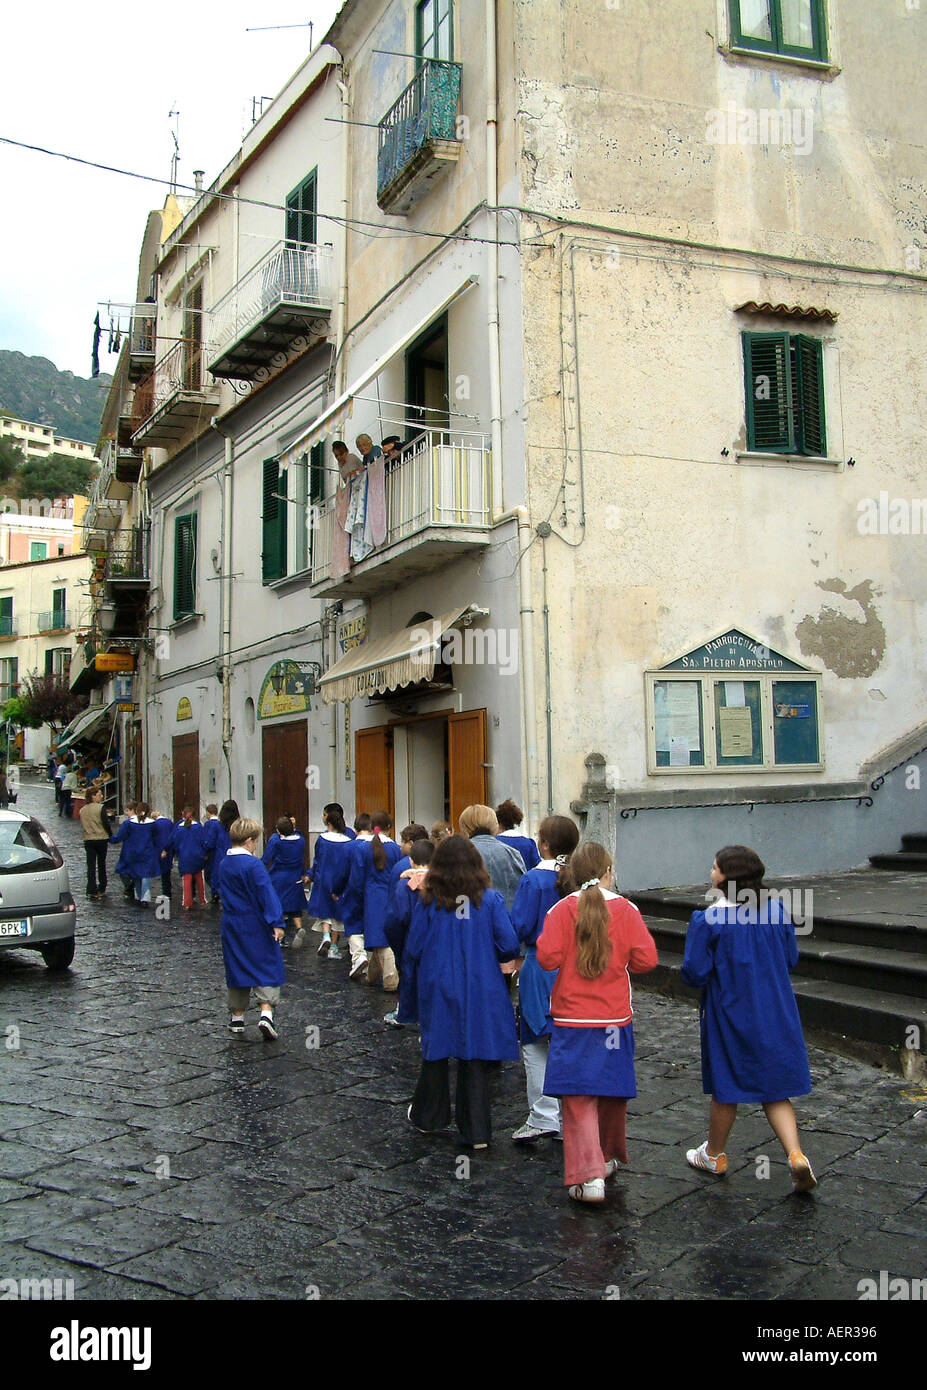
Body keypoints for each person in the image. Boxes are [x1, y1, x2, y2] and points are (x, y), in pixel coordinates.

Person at [680, 845, 817, 1192]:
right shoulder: (776, 911)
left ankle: (714, 1154)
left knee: (726, 1087)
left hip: (730, 1011)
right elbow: (790, 958)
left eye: (714, 868)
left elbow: (694, 973)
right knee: (776, 1089)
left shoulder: (709, 921)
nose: (710, 872)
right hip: (774, 1009)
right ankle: (796, 1154)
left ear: (727, 877)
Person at [536, 842, 658, 1203]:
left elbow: (547, 958)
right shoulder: (627, 909)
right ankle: (606, 1157)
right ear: (608, 872)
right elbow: (647, 960)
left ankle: (588, 1177)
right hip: (613, 1019)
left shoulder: (561, 910)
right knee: (610, 1091)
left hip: (573, 1018)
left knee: (578, 1097)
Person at [404, 835, 520, 1149]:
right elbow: (509, 944)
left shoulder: (428, 901)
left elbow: (414, 946)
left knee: (436, 1048)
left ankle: (430, 1116)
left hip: (438, 979)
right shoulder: (491, 900)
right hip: (480, 982)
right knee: (475, 1053)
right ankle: (477, 1131)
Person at [510, 814, 580, 1142]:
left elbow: (521, 927)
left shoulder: (533, 880)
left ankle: (543, 1114)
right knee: (568, 1040)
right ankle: (573, 1117)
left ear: (545, 844)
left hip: (541, 966)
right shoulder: (580, 880)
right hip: (577, 967)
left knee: (535, 1041)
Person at [220, 817, 286, 1040]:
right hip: (255, 923)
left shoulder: (223, 863)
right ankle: (266, 1013)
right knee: (267, 964)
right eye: (256, 840)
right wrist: (276, 922)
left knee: (236, 966)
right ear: (249, 840)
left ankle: (237, 1017)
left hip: (231, 923)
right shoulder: (253, 864)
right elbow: (266, 893)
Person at [347, 810, 403, 991]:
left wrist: (357, 898)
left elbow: (356, 879)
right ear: (389, 827)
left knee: (377, 937)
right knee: (384, 934)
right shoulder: (395, 848)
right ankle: (374, 975)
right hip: (391, 894)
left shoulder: (363, 848)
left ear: (371, 827)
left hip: (371, 897)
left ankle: (389, 979)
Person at [383, 837, 434, 1029]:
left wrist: (398, 946)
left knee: (410, 980)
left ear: (411, 860)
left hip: (410, 942)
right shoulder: (444, 884)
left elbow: (395, 920)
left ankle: (407, 1013)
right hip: (436, 944)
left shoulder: (404, 886)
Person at [305, 803, 355, 960]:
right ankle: (333, 947)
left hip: (323, 878)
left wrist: (311, 874)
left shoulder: (322, 839)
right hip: (340, 880)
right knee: (337, 914)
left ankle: (325, 936)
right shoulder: (349, 839)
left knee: (325, 911)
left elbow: (317, 859)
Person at [458, 804, 525, 912]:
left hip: (468, 919)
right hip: (505, 919)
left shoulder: (457, 853)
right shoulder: (513, 853)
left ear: (465, 827)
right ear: (495, 824)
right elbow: (521, 892)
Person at [331, 812, 373, 978]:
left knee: (353, 924)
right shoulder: (377, 845)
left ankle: (358, 956)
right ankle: (370, 958)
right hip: (373, 892)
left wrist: (336, 890)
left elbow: (342, 872)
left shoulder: (348, 847)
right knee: (369, 923)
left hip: (352, 890)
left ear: (355, 829)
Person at [262, 815, 307, 946]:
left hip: (279, 877)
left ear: (278, 830)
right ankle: (299, 928)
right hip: (295, 876)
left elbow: (266, 859)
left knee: (279, 906)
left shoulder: (277, 842)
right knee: (295, 906)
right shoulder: (301, 841)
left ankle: (280, 936)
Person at [110, 802, 160, 906]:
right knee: (145, 875)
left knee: (136, 874)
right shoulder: (152, 824)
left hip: (131, 852)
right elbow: (156, 838)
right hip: (147, 852)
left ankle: (138, 895)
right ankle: (144, 898)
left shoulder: (128, 823)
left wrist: (110, 839)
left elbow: (120, 836)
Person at [171, 806, 208, 910]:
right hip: (197, 856)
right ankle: (202, 900)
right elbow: (203, 842)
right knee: (199, 879)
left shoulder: (179, 828)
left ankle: (187, 902)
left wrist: (178, 853)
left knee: (187, 880)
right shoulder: (199, 827)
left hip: (185, 856)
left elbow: (176, 843)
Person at [79, 785, 112, 899]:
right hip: (101, 838)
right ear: (93, 796)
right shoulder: (100, 808)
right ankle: (102, 887)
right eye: (99, 794)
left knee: (91, 866)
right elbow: (105, 823)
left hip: (88, 839)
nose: (101, 796)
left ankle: (91, 889)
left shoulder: (82, 810)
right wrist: (111, 835)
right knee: (101, 864)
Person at [496, 799, 541, 871]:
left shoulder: (495, 842)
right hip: (525, 881)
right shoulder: (529, 843)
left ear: (499, 823)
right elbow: (537, 866)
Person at [209, 799, 241, 902]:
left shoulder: (217, 826)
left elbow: (210, 842)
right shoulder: (238, 825)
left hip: (220, 855)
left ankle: (217, 894)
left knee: (217, 876)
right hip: (235, 855)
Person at [153, 809, 176, 900]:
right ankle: (167, 891)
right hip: (170, 848)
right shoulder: (169, 822)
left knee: (164, 872)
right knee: (168, 870)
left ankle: (166, 892)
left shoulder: (156, 824)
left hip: (161, 849)